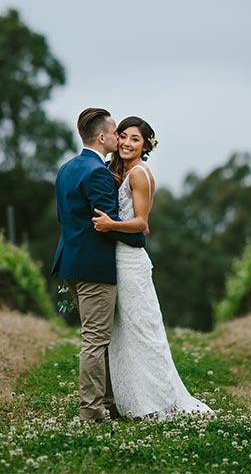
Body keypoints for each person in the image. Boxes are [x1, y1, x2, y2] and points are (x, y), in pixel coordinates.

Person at [91, 116, 212, 419]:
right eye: (124, 137)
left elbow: (142, 224)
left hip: (130, 263)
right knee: (126, 332)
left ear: (145, 146)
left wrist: (110, 224)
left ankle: (155, 402)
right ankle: (132, 399)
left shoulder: (139, 175)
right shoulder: (124, 172)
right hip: (120, 258)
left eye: (135, 139)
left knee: (142, 331)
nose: (127, 143)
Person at [51, 108, 146, 422]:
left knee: (97, 335)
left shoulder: (66, 169)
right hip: (95, 267)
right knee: (95, 339)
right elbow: (106, 223)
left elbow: (65, 218)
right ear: (103, 136)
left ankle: (108, 399)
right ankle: (91, 409)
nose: (120, 138)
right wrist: (139, 234)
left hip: (72, 262)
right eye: (117, 132)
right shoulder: (98, 173)